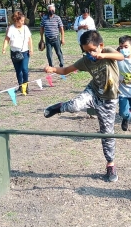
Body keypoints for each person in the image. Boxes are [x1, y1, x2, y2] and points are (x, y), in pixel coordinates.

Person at [43, 30, 124, 182]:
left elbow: (121, 56)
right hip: (93, 92)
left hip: (109, 100)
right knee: (74, 106)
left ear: (101, 46)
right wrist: (53, 69)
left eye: (92, 50)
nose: (89, 54)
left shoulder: (107, 52)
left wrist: (103, 55)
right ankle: (59, 107)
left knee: (107, 133)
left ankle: (110, 165)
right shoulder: (86, 61)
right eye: (85, 51)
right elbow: (67, 70)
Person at [2, 11, 33, 92]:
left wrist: (31, 49)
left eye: (23, 21)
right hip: (14, 53)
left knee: (25, 69)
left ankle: (25, 85)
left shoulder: (25, 28)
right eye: (21, 21)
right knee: (18, 70)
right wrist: (4, 48)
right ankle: (20, 85)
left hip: (25, 52)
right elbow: (6, 39)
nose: (23, 22)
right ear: (16, 20)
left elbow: (29, 39)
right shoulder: (10, 28)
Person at [39, 4, 65, 68]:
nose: (51, 11)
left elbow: (61, 29)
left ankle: (62, 64)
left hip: (56, 38)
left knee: (58, 52)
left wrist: (62, 38)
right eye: (50, 10)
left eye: (52, 10)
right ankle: (51, 65)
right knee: (49, 54)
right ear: (48, 10)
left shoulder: (57, 18)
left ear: (54, 10)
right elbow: (42, 28)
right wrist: (41, 39)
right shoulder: (44, 18)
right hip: (48, 39)